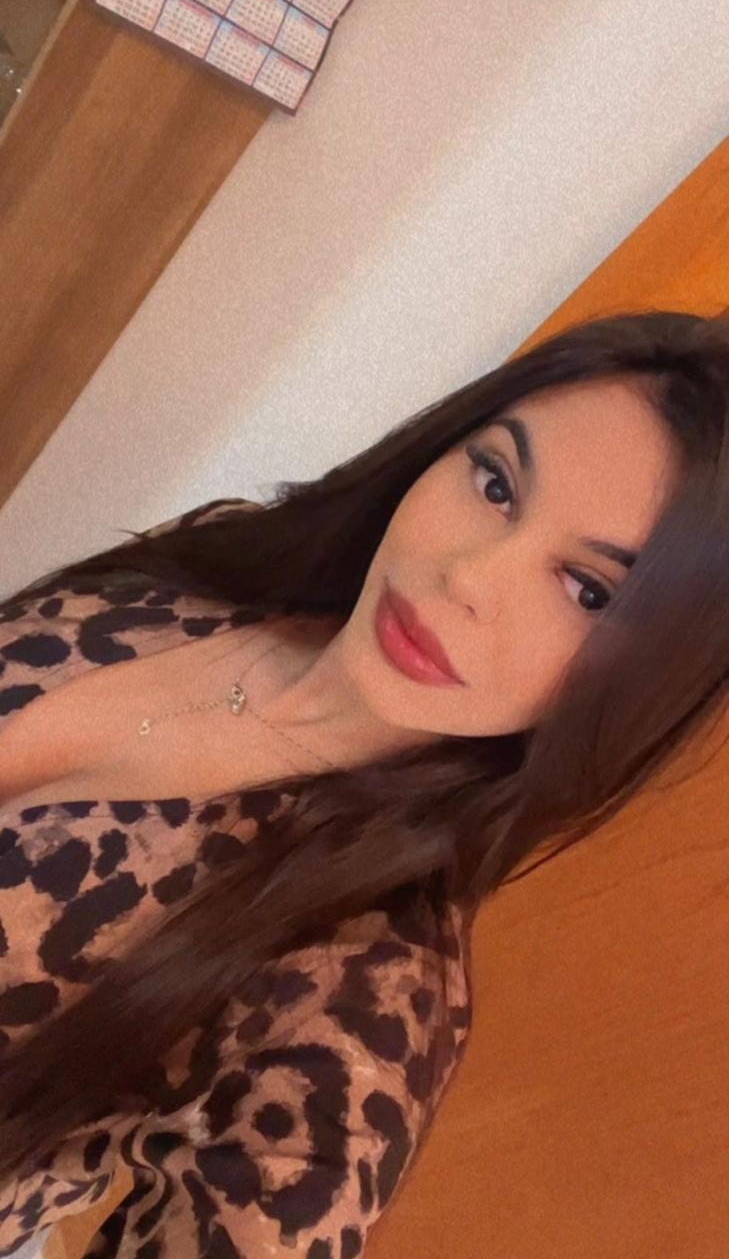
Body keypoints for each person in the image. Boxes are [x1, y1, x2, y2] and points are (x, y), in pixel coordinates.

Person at [1, 309, 728, 1257]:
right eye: (495, 483)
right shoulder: (221, 565)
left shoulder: (357, 1003)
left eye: (586, 590)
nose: (467, 575)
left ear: (642, 684)